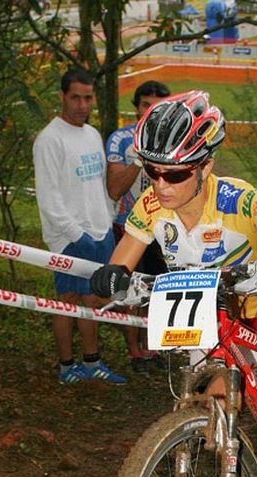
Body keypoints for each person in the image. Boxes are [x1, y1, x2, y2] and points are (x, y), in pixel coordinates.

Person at [90, 91, 257, 393]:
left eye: (175, 174)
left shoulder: (237, 201)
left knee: (223, 391)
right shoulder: (150, 206)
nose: (160, 185)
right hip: (210, 314)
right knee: (197, 396)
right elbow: (121, 263)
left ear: (205, 167)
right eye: (151, 171)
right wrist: (111, 275)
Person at [33, 67, 125, 384]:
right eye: (75, 97)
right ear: (62, 96)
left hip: (100, 230)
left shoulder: (92, 135)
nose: (82, 105)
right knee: (68, 301)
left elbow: (99, 185)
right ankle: (66, 365)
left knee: (93, 301)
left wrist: (107, 219)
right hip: (69, 237)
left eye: (88, 98)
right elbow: (49, 198)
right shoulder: (49, 140)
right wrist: (77, 235)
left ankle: (92, 362)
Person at [105, 80, 171, 372]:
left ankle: (154, 348)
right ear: (136, 107)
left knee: (160, 290)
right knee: (131, 291)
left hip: (166, 226)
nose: (151, 110)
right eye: (146, 104)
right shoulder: (121, 139)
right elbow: (114, 189)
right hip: (129, 225)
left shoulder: (174, 136)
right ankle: (135, 352)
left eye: (158, 105)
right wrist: (136, 163)